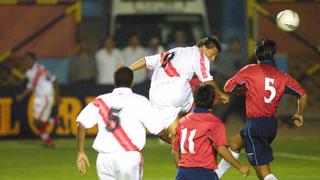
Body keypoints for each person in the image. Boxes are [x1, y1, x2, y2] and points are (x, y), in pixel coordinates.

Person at [215, 39, 307, 180]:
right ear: (273, 55)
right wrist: (299, 114)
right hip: (269, 125)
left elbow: (228, 87)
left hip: (256, 126)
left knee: (263, 173)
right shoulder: (282, 76)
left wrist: (244, 87)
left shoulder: (250, 70)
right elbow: (302, 94)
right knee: (234, 143)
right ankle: (215, 176)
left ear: (256, 54)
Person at [76, 67, 170, 180]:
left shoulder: (101, 100)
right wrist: (174, 142)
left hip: (104, 160)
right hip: (129, 158)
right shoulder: (140, 101)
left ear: (114, 82)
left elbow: (81, 124)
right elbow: (159, 131)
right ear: (132, 82)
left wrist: (80, 152)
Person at [129, 36, 229, 138]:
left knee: (173, 135)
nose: (213, 59)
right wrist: (222, 95)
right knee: (202, 91)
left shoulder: (174, 51)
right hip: (176, 94)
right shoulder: (200, 56)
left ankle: (130, 132)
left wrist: (128, 69)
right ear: (203, 48)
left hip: (156, 96)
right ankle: (195, 119)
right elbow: (207, 80)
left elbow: (146, 61)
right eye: (213, 54)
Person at [172, 84, 250, 180]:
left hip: (183, 173)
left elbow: (175, 151)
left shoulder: (182, 121)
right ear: (213, 101)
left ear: (194, 99)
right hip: (203, 173)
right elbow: (221, 149)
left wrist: (181, 170)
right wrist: (240, 167)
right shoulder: (214, 122)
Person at [16, 52, 60, 148]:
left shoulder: (40, 69)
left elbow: (54, 80)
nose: (26, 62)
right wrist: (21, 96)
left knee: (37, 122)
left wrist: (57, 95)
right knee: (38, 124)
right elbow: (31, 86)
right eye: (25, 60)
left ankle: (49, 139)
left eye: (28, 60)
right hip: (38, 97)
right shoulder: (28, 72)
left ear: (33, 61)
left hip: (45, 96)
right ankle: (53, 123)